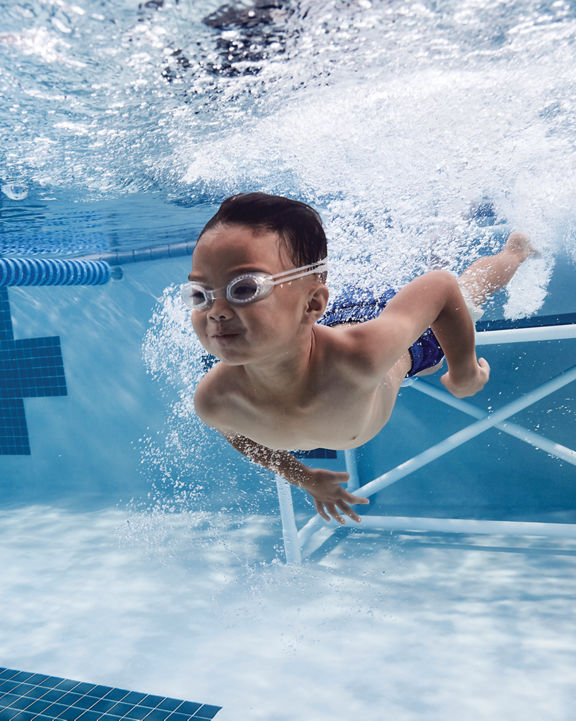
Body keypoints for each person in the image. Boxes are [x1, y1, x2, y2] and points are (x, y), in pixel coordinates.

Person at [183, 193, 535, 525]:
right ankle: (438, 236)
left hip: (387, 340)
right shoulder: (214, 401)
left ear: (312, 305)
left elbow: (441, 287)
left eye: (244, 289)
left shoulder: (360, 358)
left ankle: (515, 252)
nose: (215, 312)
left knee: (468, 291)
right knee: (430, 277)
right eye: (200, 294)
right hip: (331, 320)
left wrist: (464, 372)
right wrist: (305, 479)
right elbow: (239, 437)